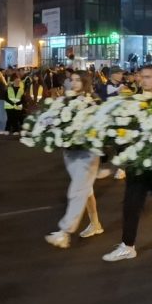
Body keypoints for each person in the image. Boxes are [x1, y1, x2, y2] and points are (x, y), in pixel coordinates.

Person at [102, 65, 152, 262]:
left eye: (148, 77)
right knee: (131, 203)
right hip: (138, 162)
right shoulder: (137, 100)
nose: (143, 80)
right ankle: (128, 245)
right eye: (142, 77)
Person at [44, 71, 105, 248]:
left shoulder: (93, 101)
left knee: (78, 190)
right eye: (72, 80)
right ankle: (95, 224)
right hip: (70, 152)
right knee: (85, 189)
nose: (74, 83)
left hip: (88, 153)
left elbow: (99, 126)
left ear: (85, 82)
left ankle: (64, 232)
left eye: (78, 80)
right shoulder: (65, 100)